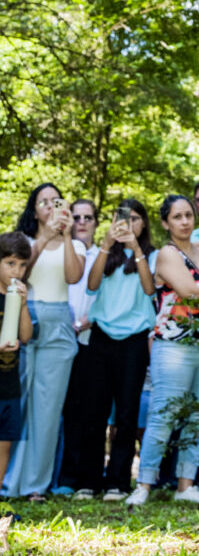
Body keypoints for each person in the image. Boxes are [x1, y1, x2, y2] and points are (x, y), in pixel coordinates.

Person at [125, 195, 199, 507]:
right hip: (174, 345)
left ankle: (185, 484)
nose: (185, 221)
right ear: (165, 223)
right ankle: (144, 485)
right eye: (177, 217)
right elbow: (191, 292)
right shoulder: (167, 253)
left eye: (188, 215)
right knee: (163, 414)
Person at [4, 184, 85, 500]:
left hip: (58, 325)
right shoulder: (22, 243)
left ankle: (35, 485)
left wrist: (65, 235)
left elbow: (73, 277)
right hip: (22, 317)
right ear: (34, 209)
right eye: (43, 202)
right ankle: (8, 480)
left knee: (48, 410)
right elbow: (19, 276)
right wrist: (45, 238)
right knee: (17, 403)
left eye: (56, 201)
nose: (51, 206)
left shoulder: (74, 244)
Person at [74, 200, 156, 501]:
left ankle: (118, 482)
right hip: (101, 336)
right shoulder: (103, 251)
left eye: (135, 219)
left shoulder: (152, 255)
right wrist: (107, 245)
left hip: (134, 340)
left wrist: (136, 250)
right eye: (123, 218)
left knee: (126, 412)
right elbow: (91, 286)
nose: (128, 224)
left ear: (143, 223)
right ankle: (88, 481)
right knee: (94, 410)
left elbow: (150, 289)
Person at [55, 198, 100, 495]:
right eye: (77, 217)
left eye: (88, 217)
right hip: (56, 337)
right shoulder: (59, 250)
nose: (82, 222)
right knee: (57, 410)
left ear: (96, 222)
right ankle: (56, 475)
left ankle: (76, 477)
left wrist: (89, 320)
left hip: (88, 340)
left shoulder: (103, 255)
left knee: (83, 411)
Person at [0, 233, 34, 497]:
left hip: (9, 385)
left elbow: (26, 336)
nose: (17, 271)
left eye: (22, 265)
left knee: (4, 445)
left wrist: (23, 305)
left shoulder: (17, 295)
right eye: (10, 264)